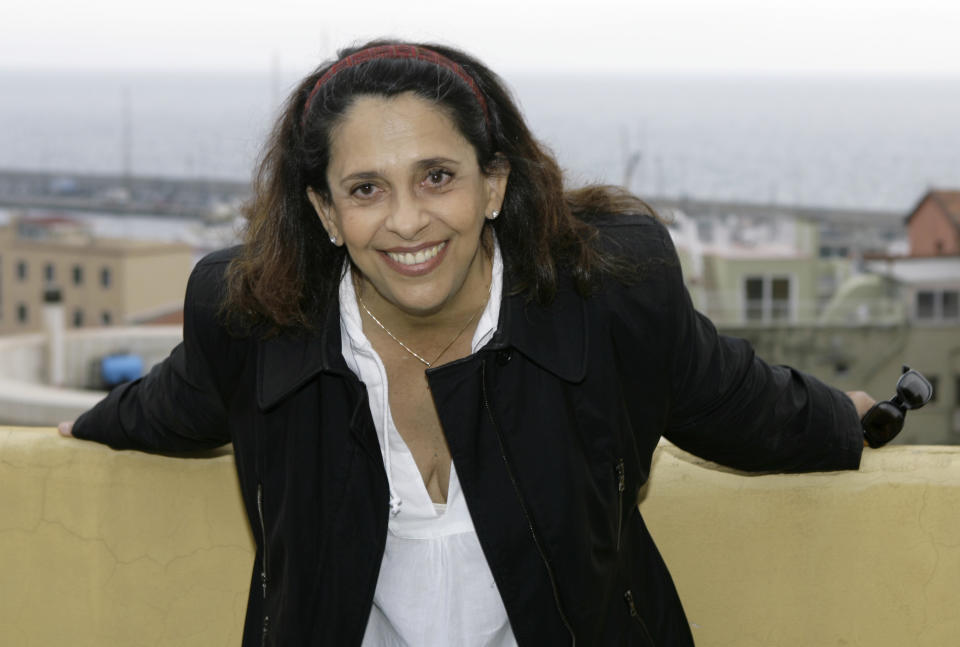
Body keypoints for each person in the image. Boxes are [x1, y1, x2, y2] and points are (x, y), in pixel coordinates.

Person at [60, 40, 877, 646]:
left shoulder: (611, 293)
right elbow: (181, 401)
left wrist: (848, 415)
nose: (408, 220)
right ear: (323, 211)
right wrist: (91, 424)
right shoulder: (249, 315)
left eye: (437, 176)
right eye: (366, 189)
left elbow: (731, 397)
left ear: (494, 184)